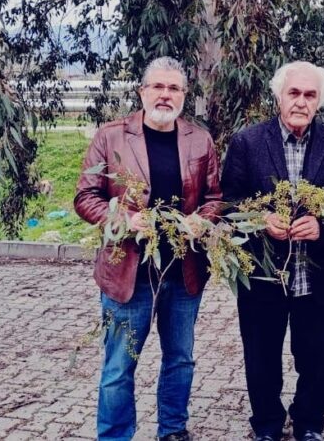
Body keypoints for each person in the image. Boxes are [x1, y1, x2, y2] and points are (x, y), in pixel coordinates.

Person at [74, 56, 221, 441]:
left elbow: (215, 198)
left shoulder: (199, 140)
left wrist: (202, 220)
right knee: (120, 366)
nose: (165, 95)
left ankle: (172, 430)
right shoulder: (111, 136)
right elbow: (85, 197)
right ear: (142, 91)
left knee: (180, 359)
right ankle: (116, 435)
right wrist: (120, 220)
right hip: (128, 274)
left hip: (183, 272)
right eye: (158, 86)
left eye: (174, 88)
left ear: (184, 95)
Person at [221, 61, 324, 441]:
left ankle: (309, 421)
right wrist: (260, 219)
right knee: (262, 355)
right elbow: (228, 202)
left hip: (318, 276)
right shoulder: (247, 143)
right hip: (264, 274)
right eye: (293, 93)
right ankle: (266, 423)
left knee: (317, 355)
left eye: (310, 95)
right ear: (279, 95)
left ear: (321, 101)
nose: (300, 101)